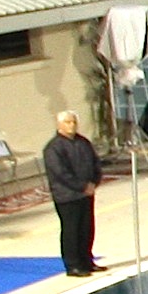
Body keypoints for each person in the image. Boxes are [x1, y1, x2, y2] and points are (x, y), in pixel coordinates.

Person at [41, 110, 104, 277]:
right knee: (71, 230)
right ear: (59, 125)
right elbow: (61, 173)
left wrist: (94, 182)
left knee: (86, 228)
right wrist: (82, 186)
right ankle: (73, 265)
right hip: (67, 196)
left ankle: (87, 260)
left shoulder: (83, 142)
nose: (71, 125)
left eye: (73, 122)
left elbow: (95, 163)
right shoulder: (53, 148)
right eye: (67, 122)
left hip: (85, 194)